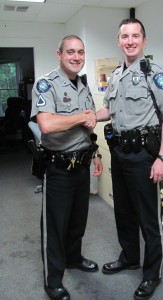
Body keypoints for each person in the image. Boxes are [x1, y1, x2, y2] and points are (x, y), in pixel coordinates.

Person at [96, 18, 163, 300]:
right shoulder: (117, 74)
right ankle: (129, 256)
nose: (129, 41)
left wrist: (162, 158)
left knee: (148, 219)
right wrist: (88, 117)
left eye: (135, 36)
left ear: (144, 40)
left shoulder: (153, 72)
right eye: (124, 36)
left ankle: (152, 273)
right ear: (118, 40)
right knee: (124, 212)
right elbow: (108, 110)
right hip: (119, 153)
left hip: (144, 155)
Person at [30, 35, 103, 300]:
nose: (76, 57)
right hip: (58, 168)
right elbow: (47, 125)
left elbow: (89, 127)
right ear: (59, 54)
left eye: (81, 52)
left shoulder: (84, 85)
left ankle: (73, 258)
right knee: (55, 226)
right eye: (70, 52)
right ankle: (53, 279)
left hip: (82, 164)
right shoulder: (46, 84)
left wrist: (96, 154)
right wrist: (81, 117)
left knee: (77, 221)